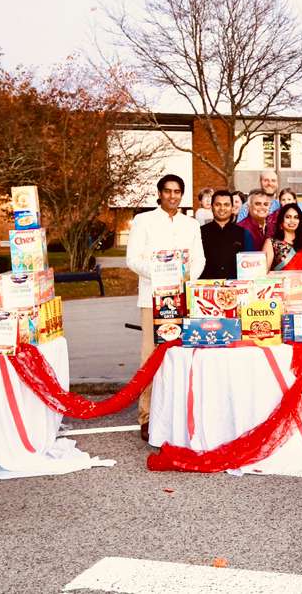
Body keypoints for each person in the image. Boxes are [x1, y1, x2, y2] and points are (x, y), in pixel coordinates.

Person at [125, 173, 206, 442]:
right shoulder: (143, 220)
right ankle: (146, 416)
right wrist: (161, 276)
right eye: (168, 191)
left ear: (182, 195)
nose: (173, 196)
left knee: (181, 356)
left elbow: (198, 260)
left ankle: (178, 412)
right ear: (159, 193)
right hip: (152, 297)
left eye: (177, 191)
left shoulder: (191, 224)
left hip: (182, 299)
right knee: (150, 357)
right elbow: (132, 259)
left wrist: (184, 281)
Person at [199, 190, 245, 280]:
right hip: (207, 288)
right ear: (212, 207)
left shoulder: (243, 233)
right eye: (218, 204)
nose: (222, 208)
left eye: (226, 205)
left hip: (236, 288)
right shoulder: (199, 233)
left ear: (232, 208)